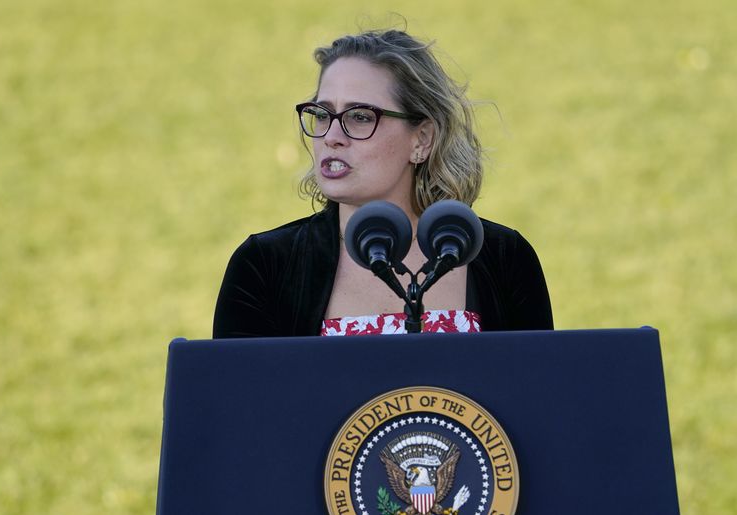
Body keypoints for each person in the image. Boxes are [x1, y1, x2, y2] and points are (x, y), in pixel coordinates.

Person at [213, 29, 552, 338]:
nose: (331, 137)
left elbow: (538, 396)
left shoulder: (505, 258)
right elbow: (237, 401)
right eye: (321, 114)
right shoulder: (264, 266)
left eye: (359, 117)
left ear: (422, 139)